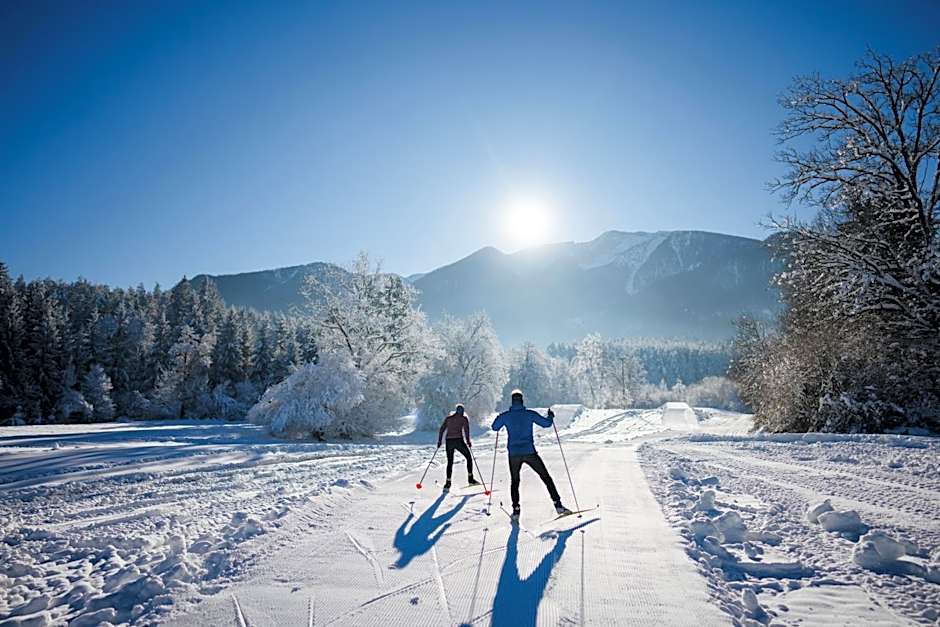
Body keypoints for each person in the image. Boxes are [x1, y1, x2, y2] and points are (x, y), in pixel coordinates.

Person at [491, 389, 572, 521]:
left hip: (514, 454)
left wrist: (499, 417)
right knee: (546, 477)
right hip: (529, 452)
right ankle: (558, 505)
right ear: (522, 401)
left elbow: (495, 427)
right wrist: (550, 416)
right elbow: (546, 424)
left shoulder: (506, 416)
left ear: (512, 401)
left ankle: (516, 510)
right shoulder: (529, 414)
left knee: (515, 482)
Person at [437, 404, 479, 491]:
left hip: (449, 442)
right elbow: (466, 431)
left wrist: (439, 441)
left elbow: (442, 429)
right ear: (462, 411)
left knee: (450, 462)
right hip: (458, 441)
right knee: (468, 458)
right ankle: (470, 479)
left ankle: (448, 483)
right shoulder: (464, 419)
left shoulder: (448, 418)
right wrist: (468, 441)